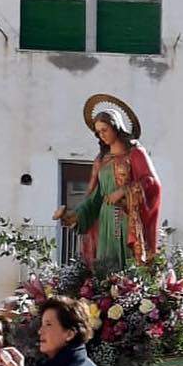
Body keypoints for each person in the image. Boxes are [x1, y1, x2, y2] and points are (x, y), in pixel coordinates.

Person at [56, 97, 162, 270]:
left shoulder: (135, 153)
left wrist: (123, 191)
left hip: (126, 219)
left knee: (126, 266)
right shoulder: (101, 160)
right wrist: (74, 215)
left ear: (116, 127)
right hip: (105, 220)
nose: (102, 135)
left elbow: (151, 182)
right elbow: (96, 196)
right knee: (105, 266)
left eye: (105, 130)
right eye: (98, 132)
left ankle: (129, 286)